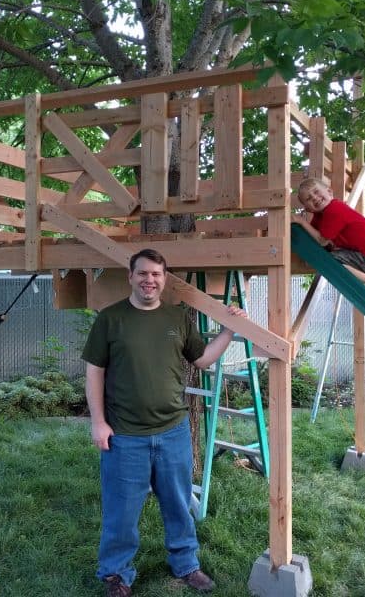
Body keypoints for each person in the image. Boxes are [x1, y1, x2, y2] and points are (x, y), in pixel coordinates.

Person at [81, 248, 247, 597]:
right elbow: (94, 371)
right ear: (131, 277)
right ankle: (115, 574)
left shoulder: (177, 318)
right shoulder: (110, 319)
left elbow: (202, 360)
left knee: (178, 502)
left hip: (173, 432)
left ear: (164, 279)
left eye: (156, 274)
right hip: (124, 435)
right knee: (121, 512)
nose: (149, 280)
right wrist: (98, 422)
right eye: (142, 273)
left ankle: (186, 564)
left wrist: (229, 331)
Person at [293, 177, 365, 292]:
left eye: (316, 192)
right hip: (363, 257)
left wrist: (301, 221)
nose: (314, 197)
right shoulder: (319, 217)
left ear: (329, 192)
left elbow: (322, 241)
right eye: (308, 198)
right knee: (326, 256)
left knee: (328, 260)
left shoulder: (335, 209)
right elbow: (312, 237)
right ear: (307, 209)